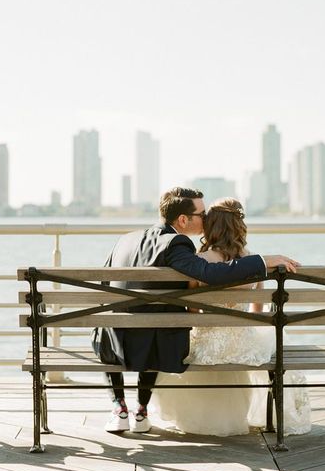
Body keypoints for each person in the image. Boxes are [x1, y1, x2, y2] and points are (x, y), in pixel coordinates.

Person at [98, 187, 300, 434]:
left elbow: (105, 288)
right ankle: (141, 410)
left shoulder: (126, 239)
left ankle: (119, 407)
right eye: (202, 215)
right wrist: (262, 261)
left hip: (112, 340)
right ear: (183, 220)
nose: (206, 220)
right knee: (158, 325)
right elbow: (210, 273)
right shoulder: (176, 243)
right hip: (155, 343)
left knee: (136, 321)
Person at [151, 198, 311, 437]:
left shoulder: (199, 262)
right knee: (271, 343)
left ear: (211, 228)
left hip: (208, 345)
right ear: (239, 227)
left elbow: (193, 313)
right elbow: (258, 314)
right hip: (242, 344)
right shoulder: (254, 262)